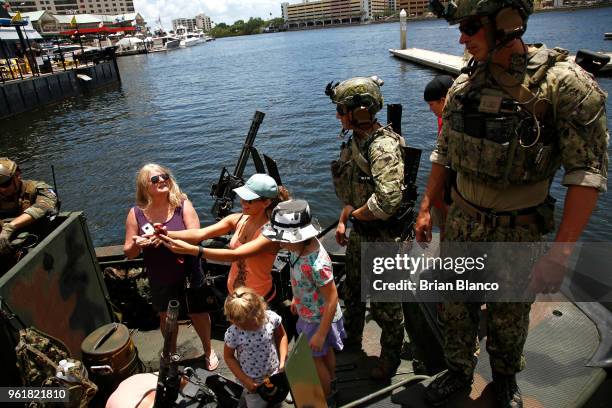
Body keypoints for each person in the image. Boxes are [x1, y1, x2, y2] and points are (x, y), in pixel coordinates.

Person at [416, 1, 608, 406]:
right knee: (455, 305)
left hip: (517, 228)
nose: (461, 37)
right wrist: (424, 207)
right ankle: (457, 371)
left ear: (504, 24)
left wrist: (561, 252)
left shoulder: (564, 85)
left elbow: (586, 174)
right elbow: (443, 152)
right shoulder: (467, 83)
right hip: (463, 223)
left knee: (509, 312)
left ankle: (504, 379)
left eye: (470, 27)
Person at [325, 76, 406, 380]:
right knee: (354, 291)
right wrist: (346, 219)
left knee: (387, 307)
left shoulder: (382, 146)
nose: (337, 115)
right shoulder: (356, 142)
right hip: (361, 233)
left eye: (341, 109)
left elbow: (387, 200)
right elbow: (355, 192)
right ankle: (352, 339)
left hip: (383, 238)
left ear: (359, 111)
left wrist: (355, 215)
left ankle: (390, 359)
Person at [123, 163, 218, 370]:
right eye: (155, 179)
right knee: (167, 317)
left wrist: (163, 238)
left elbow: (195, 237)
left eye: (164, 176)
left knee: (198, 313)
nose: (162, 181)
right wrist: (138, 243)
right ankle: (171, 353)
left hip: (189, 272)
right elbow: (129, 252)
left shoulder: (182, 204)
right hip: (160, 275)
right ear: (144, 186)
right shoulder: (136, 213)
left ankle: (209, 351)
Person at [261, 199, 345, 401]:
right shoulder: (297, 249)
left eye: (285, 239)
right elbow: (302, 280)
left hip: (318, 320)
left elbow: (332, 297)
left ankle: (325, 396)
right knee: (324, 353)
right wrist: (298, 299)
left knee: (315, 360)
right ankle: (331, 380)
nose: (280, 243)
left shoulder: (316, 264)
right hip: (310, 312)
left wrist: (321, 333)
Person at [157, 173, 289, 301]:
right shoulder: (238, 219)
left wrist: (192, 250)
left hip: (258, 298)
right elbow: (200, 234)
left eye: (249, 200)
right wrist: (166, 233)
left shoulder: (271, 233)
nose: (243, 202)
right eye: (242, 197)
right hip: (235, 295)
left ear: (266, 202)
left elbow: (235, 255)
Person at [224, 287, 288, 408]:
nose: (251, 327)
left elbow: (281, 336)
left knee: (278, 400)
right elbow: (228, 357)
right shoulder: (234, 333)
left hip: (276, 374)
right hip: (253, 384)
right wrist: (245, 380)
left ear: (260, 309)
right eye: (244, 326)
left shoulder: (270, 318)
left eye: (252, 322)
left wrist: (283, 361)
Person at [0, 157, 58, 259]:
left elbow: (43, 206)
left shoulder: (38, 189)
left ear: (17, 175)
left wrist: (10, 227)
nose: (2, 189)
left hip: (38, 244)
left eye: (5, 184)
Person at [423, 75, 455, 237]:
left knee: (446, 226)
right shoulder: (444, 117)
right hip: (447, 184)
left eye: (432, 104)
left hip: (450, 188)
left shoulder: (449, 122)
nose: (431, 109)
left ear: (443, 100)